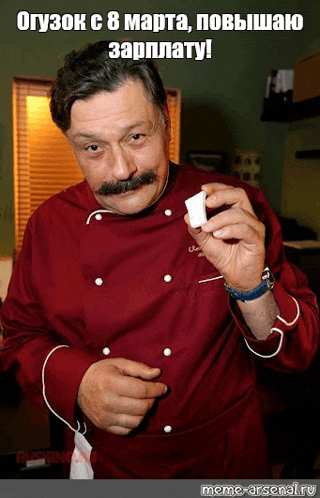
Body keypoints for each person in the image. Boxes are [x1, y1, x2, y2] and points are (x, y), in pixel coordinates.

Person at [0, 40, 318, 479]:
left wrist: (251, 288)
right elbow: (18, 338)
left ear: (165, 124)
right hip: (105, 462)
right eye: (92, 148)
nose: (121, 170)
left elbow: (298, 355)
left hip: (226, 459)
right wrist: (79, 383)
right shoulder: (47, 227)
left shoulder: (234, 207)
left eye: (135, 137)